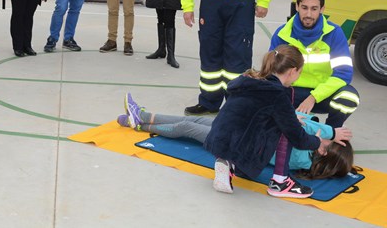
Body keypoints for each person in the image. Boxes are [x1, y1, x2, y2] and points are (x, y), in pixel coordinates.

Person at [200, 45, 349, 198]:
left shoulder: (248, 78)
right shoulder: (277, 95)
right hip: (242, 150)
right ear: (292, 71)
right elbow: (297, 137)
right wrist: (317, 142)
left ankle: (227, 162)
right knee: (289, 128)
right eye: (300, 72)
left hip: (217, 138)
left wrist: (289, 116)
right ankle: (280, 181)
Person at [119, 94, 354, 180]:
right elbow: (306, 124)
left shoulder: (302, 157)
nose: (326, 136)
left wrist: (325, 133)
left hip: (238, 143)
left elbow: (298, 127)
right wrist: (330, 132)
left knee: (188, 128)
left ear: (324, 152)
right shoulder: (313, 145)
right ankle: (142, 114)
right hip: (243, 129)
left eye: (329, 142)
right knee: (197, 121)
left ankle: (138, 124)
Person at [270, 0, 359, 128]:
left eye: (314, 8)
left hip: (323, 94)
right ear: (297, 6)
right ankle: (286, 129)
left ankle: (329, 135)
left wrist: (313, 97)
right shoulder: (282, 34)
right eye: (304, 8)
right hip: (291, 92)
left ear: (322, 9)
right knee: (267, 93)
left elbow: (344, 74)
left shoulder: (334, 33)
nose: (309, 14)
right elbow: (272, 72)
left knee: (349, 96)